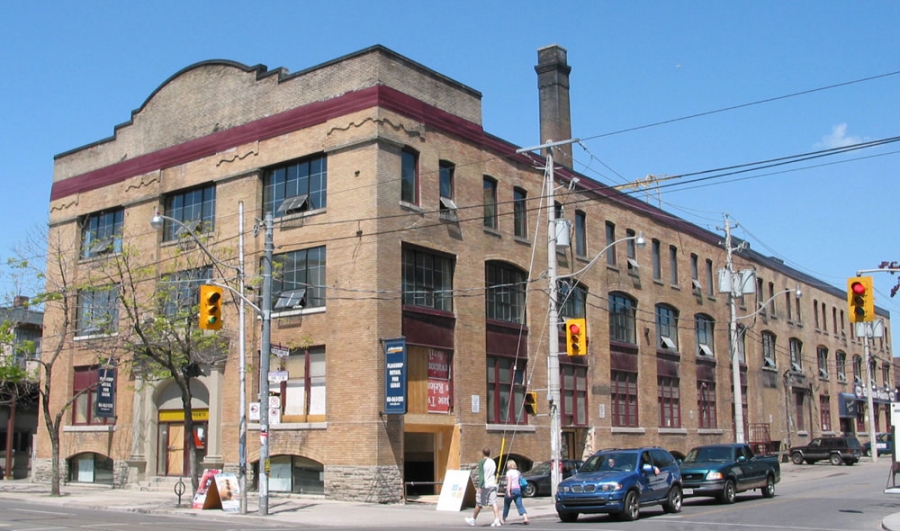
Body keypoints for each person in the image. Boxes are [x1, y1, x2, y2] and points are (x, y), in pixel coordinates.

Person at [465, 447, 502, 527]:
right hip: (492, 484)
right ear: (489, 453)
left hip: (485, 486)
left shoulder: (482, 462)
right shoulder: (492, 462)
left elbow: (481, 475)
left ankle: (473, 519)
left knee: (479, 503)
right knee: (494, 502)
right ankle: (497, 519)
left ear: (483, 453)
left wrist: (479, 486)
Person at [501, 460, 529, 525]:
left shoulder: (509, 473)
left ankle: (503, 520)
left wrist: (508, 492)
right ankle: (525, 518)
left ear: (508, 465)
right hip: (518, 490)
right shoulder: (518, 472)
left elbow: (509, 483)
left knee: (506, 505)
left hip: (512, 489)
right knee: (520, 505)